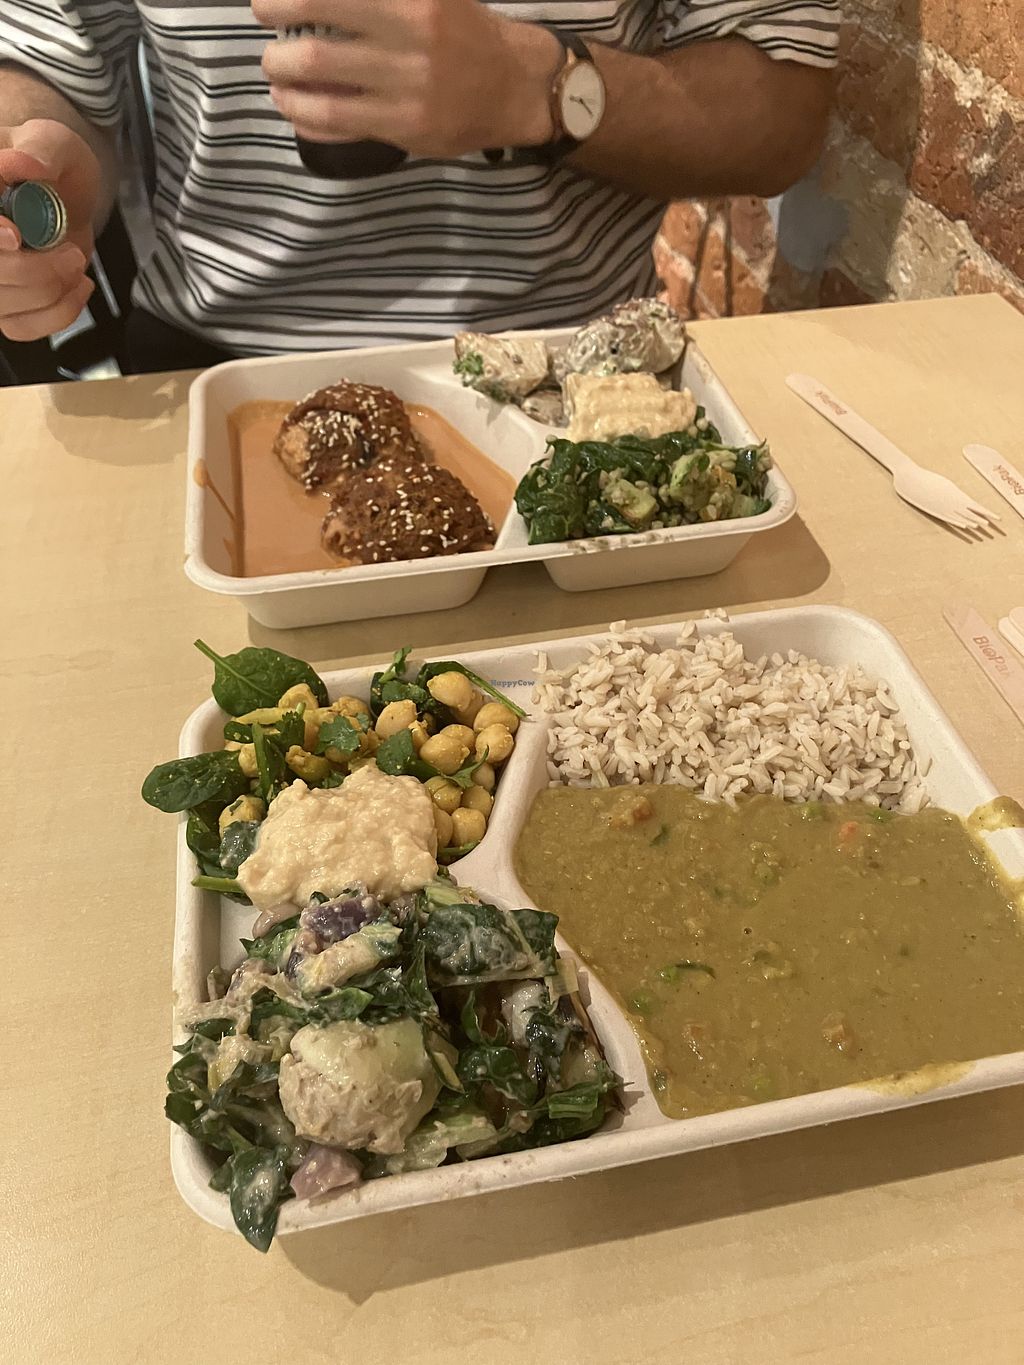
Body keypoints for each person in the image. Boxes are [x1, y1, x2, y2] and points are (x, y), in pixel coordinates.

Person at [0, 1, 837, 372]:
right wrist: (36, 161)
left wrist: (537, 87)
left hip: (572, 370)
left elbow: (783, 112)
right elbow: (49, 59)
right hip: (206, 370)